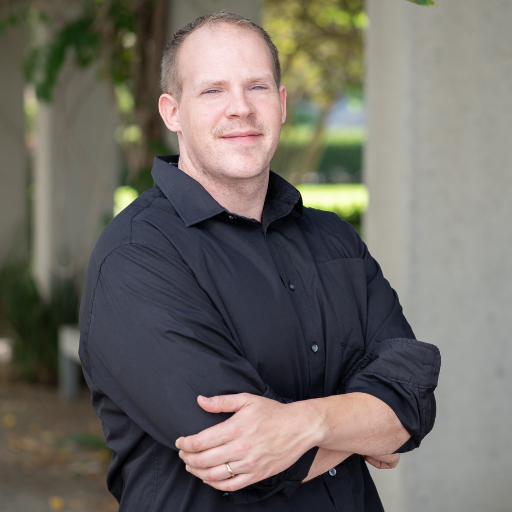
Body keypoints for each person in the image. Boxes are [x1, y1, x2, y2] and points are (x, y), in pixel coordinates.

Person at [79, 11, 441, 512]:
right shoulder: (136, 260)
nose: (241, 109)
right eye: (213, 91)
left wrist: (307, 424)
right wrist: (362, 427)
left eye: (257, 87)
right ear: (172, 112)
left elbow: (412, 401)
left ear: (282, 102)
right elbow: (239, 462)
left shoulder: (335, 240)